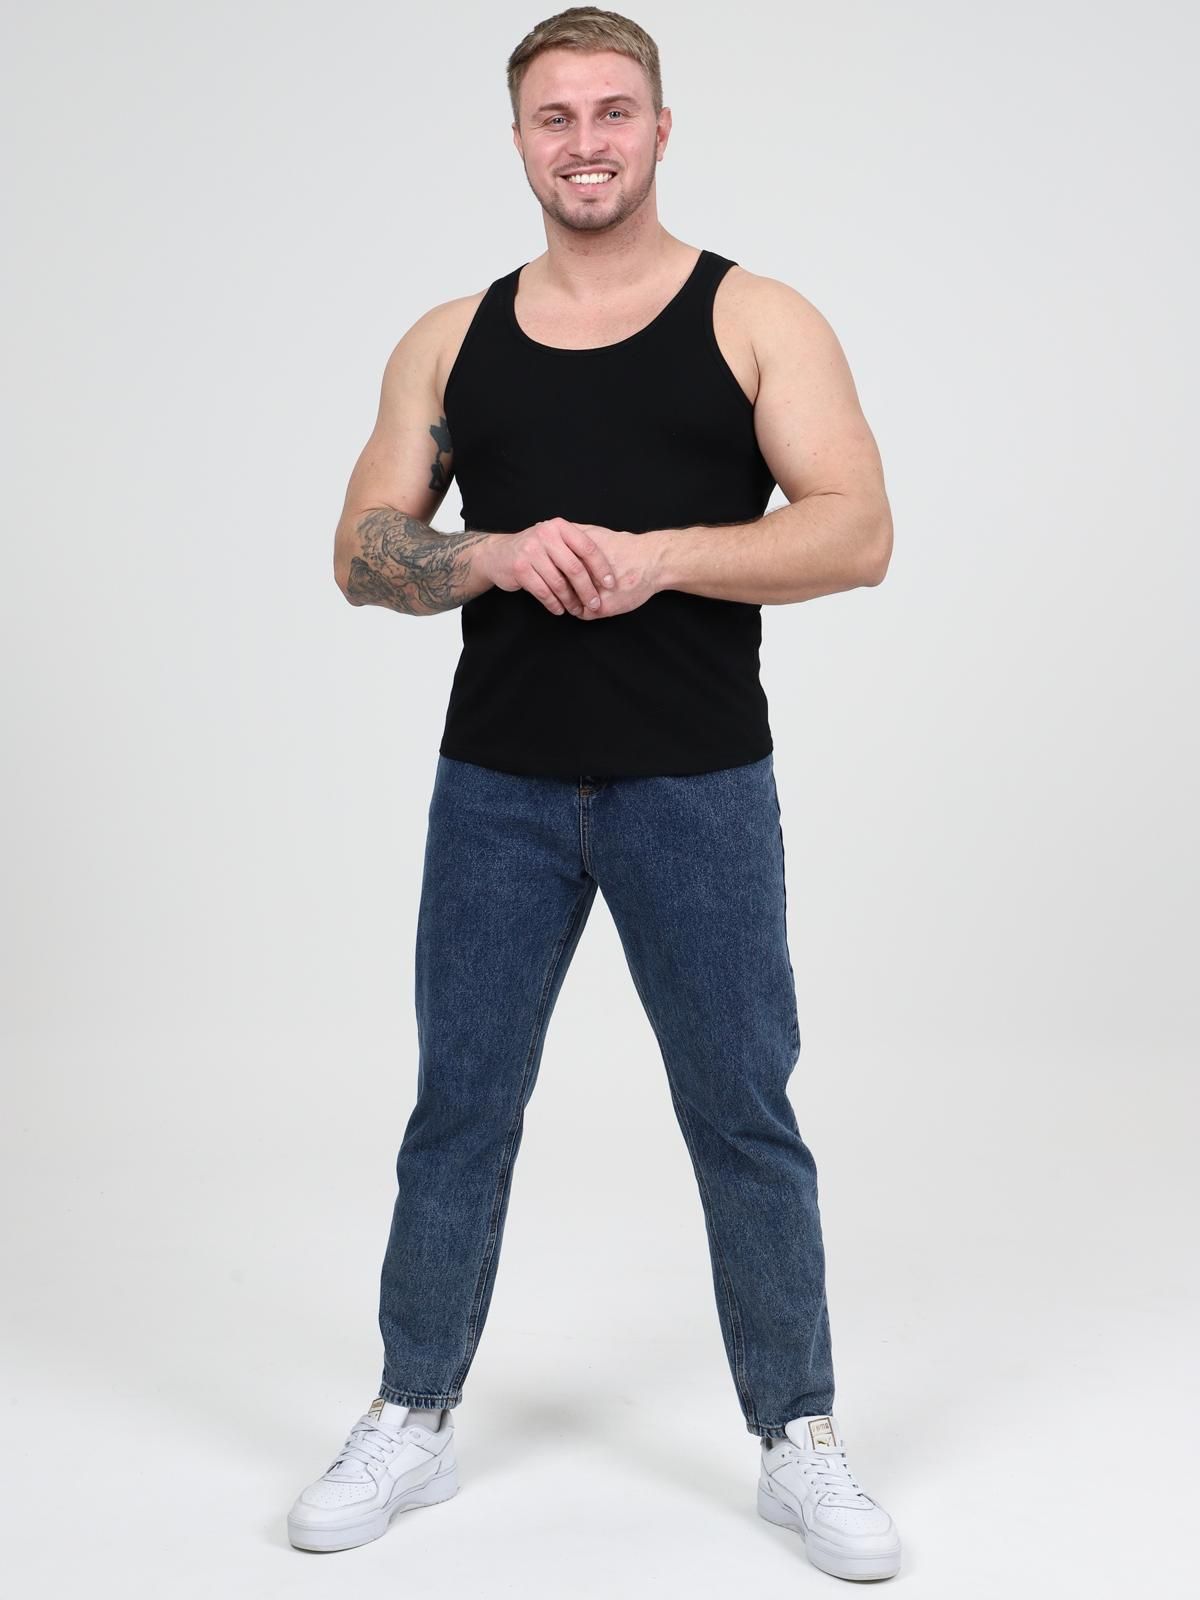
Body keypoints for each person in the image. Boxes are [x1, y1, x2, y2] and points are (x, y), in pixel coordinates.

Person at [287, 6, 900, 1582]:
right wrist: (491, 553)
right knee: (461, 1107)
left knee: (742, 1112)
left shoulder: (755, 317)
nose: (585, 142)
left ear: (661, 128)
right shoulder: (451, 338)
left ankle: (798, 1435)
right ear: (518, 142)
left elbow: (856, 530)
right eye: (554, 117)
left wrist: (661, 558)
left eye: (613, 111)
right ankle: (412, 1414)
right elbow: (360, 551)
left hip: (696, 786)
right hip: (495, 788)